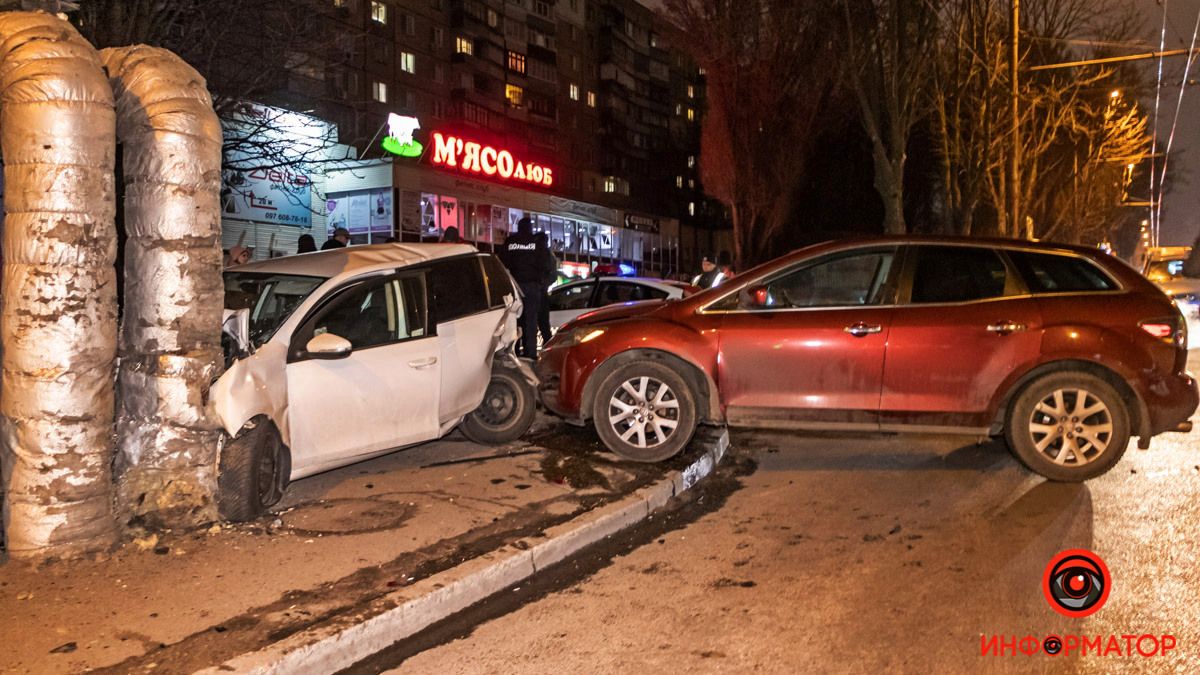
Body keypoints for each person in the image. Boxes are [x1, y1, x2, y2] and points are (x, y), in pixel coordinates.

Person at [500, 217, 547, 359]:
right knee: (531, 321)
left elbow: (502, 263)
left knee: (514, 319)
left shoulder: (510, 242)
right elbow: (544, 264)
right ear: (530, 228)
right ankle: (530, 353)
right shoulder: (536, 243)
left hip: (515, 286)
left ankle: (514, 350)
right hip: (532, 287)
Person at [537, 232, 558, 346]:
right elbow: (553, 276)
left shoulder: (539, 254)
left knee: (529, 324)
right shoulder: (549, 255)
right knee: (544, 325)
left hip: (535, 293)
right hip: (542, 293)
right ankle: (547, 347)